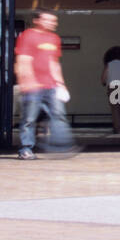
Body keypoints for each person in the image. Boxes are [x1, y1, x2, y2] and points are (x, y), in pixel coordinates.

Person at [14, 9, 74, 159]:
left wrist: (61, 83)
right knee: (29, 119)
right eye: (48, 20)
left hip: (51, 86)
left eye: (54, 20)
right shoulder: (28, 36)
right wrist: (27, 82)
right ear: (37, 20)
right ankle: (26, 149)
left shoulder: (54, 38)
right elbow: (23, 60)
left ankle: (60, 145)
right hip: (33, 86)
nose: (53, 23)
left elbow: (54, 63)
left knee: (58, 115)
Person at [101, 45, 120, 134]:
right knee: (119, 108)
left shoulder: (109, 64)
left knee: (114, 108)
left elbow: (104, 77)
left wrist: (103, 82)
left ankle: (116, 128)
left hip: (112, 86)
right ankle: (119, 125)